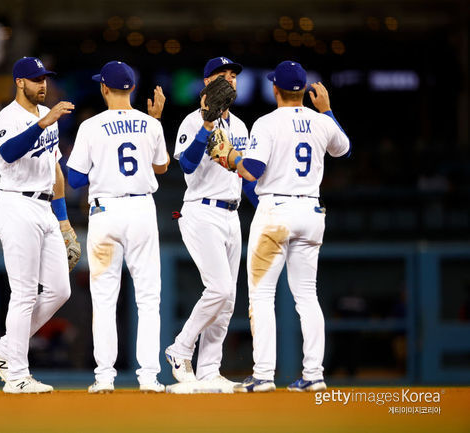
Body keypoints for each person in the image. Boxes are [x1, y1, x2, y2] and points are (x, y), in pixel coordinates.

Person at [213, 60, 350, 392]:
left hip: (276, 211)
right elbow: (344, 150)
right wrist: (328, 110)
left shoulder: (267, 122)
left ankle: (263, 376)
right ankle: (314, 374)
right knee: (307, 294)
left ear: (275, 88)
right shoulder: (321, 122)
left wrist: (231, 157)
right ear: (304, 90)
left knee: (262, 295)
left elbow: (252, 170)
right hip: (311, 211)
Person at [67, 61, 169, 393]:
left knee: (104, 298)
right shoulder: (150, 123)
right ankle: (150, 377)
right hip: (141, 209)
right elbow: (162, 166)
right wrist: (152, 126)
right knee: (149, 297)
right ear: (133, 89)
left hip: (105, 212)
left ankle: (105, 377)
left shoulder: (91, 126)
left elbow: (75, 178)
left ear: (104, 88)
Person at [0, 56, 79, 394]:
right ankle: (17, 375)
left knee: (60, 290)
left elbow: (56, 171)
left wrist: (64, 221)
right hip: (15, 203)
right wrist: (42, 123)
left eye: (45, 78)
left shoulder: (47, 119)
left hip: (44, 208)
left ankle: (6, 348)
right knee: (23, 293)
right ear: (20, 82)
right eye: (36, 79)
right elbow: (8, 152)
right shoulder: (8, 116)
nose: (43, 84)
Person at [165, 57, 258, 394]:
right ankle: (180, 349)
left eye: (234, 74)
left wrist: (264, 210)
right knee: (218, 289)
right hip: (200, 212)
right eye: (223, 75)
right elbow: (188, 166)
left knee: (228, 299)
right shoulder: (192, 121)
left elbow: (245, 179)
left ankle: (208, 371)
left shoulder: (241, 126)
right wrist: (206, 125)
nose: (231, 80)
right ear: (206, 83)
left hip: (232, 214)